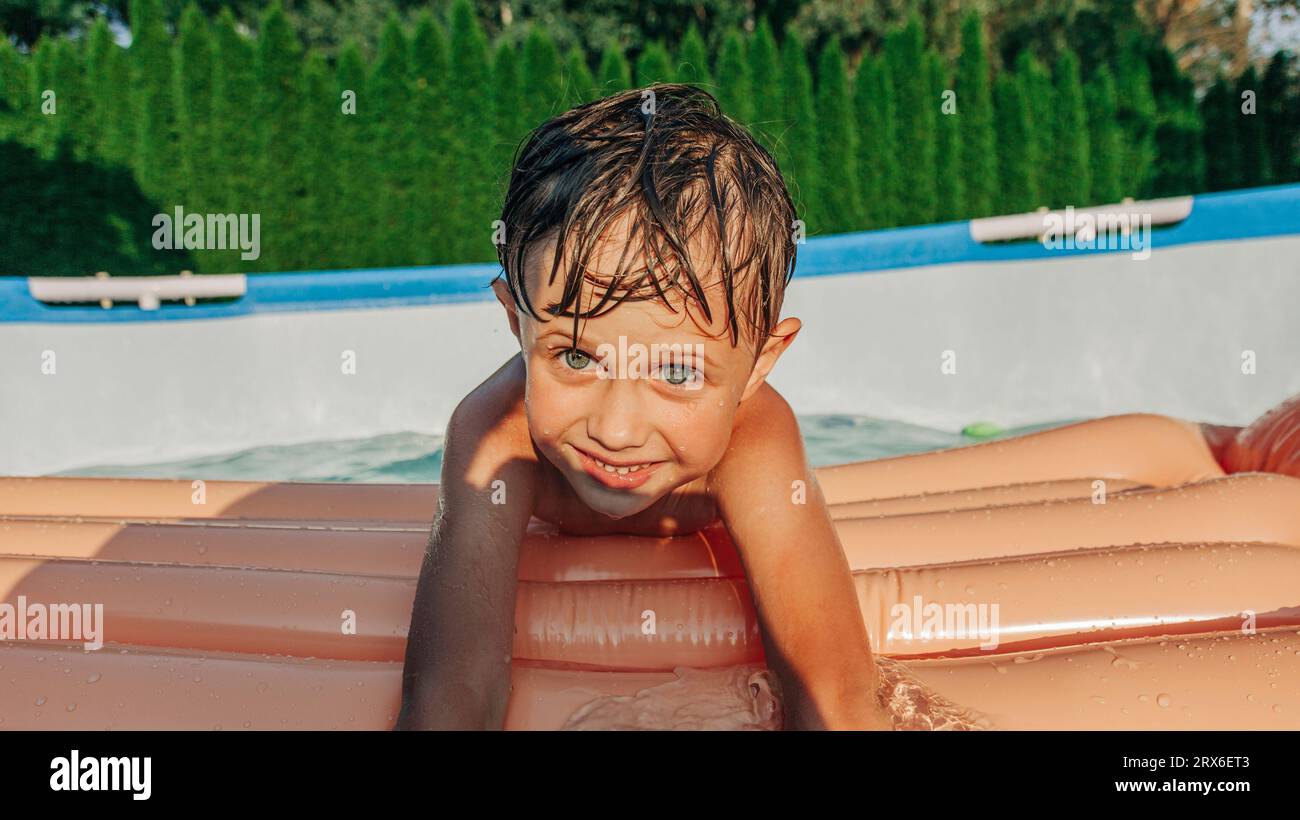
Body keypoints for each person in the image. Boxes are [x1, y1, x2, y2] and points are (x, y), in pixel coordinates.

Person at [396, 84, 893, 730]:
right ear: (515, 321)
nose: (616, 428)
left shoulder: (755, 438)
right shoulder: (497, 437)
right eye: (576, 358)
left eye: (678, 372)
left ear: (759, 367)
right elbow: (454, 695)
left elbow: (835, 694)